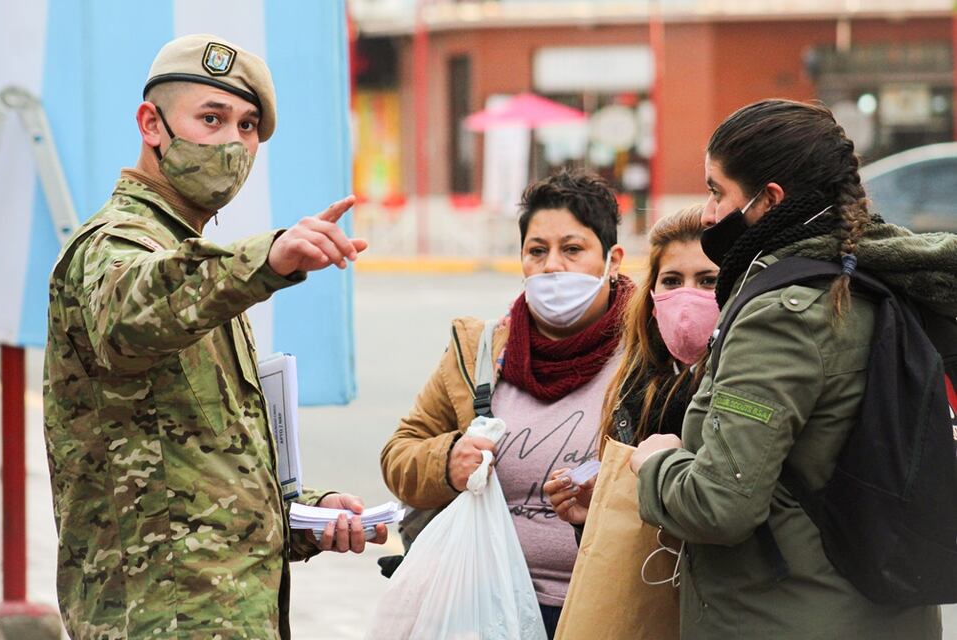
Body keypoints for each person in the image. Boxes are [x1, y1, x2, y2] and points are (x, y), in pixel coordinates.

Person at [43, 34, 386, 639]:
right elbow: (130, 315)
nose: (233, 143)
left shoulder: (198, 265)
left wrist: (303, 515)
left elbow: (198, 466)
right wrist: (270, 259)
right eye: (211, 118)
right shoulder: (117, 245)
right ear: (152, 125)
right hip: (155, 620)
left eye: (248, 125)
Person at [630, 99, 954, 638]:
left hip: (787, 616)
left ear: (769, 200)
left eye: (717, 192)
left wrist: (656, 466)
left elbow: (721, 504)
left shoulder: (782, 315)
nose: (709, 215)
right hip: (885, 609)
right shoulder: (876, 278)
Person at [380, 170, 630, 638]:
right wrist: (447, 459)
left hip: (607, 607)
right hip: (484, 607)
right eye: (537, 251)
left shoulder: (646, 354)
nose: (552, 266)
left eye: (572, 249)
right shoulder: (477, 351)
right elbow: (398, 455)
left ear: (612, 260)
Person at [542, 205, 719, 529]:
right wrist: (596, 508)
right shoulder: (634, 386)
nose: (687, 297)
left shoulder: (746, 380)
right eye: (672, 281)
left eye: (708, 280)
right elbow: (623, 548)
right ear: (652, 297)